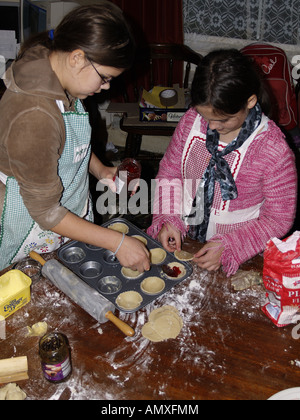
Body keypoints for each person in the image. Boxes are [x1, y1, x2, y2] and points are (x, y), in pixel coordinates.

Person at [0, 2, 150, 272]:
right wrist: (117, 242)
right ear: (77, 58)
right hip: (32, 226)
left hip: (64, 208)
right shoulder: (34, 115)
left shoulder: (58, 69)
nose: (106, 87)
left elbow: (64, 142)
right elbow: (46, 211)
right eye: (104, 77)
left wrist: (101, 169)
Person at [147, 49, 297, 276]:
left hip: (240, 254)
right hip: (186, 238)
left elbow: (278, 218)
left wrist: (231, 246)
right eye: (206, 117)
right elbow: (170, 172)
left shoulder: (272, 149)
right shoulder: (190, 121)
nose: (213, 127)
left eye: (223, 119)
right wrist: (169, 217)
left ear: (250, 101)